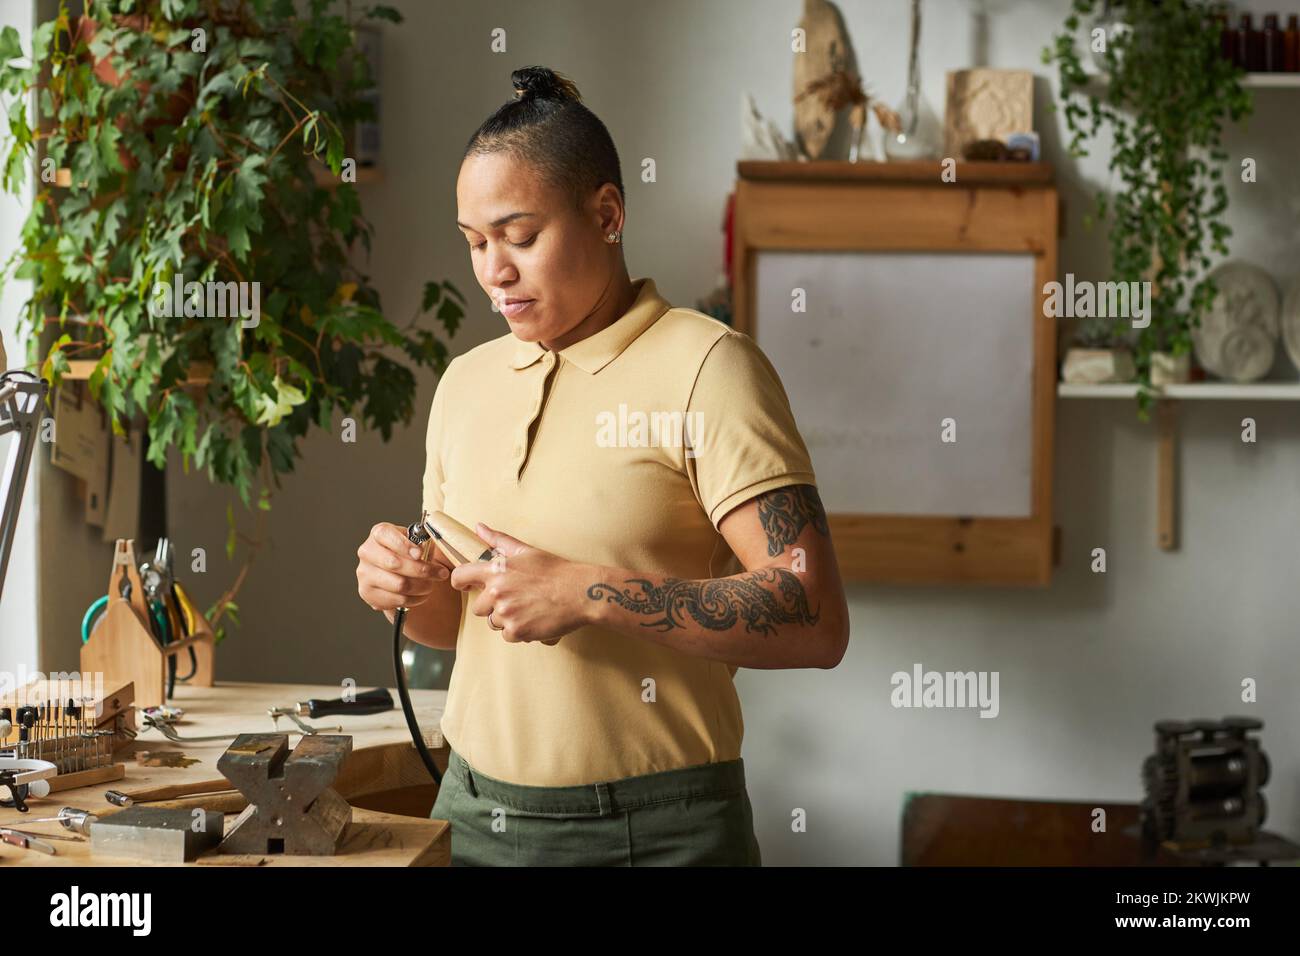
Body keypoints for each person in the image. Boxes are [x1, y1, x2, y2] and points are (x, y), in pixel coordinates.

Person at [355, 66, 848, 866]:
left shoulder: (710, 366)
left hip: (658, 830)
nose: (493, 271)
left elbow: (814, 614)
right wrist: (403, 591)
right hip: (474, 816)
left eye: (520, 236)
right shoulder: (464, 383)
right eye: (475, 243)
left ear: (608, 214)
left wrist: (588, 592)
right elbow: (460, 626)